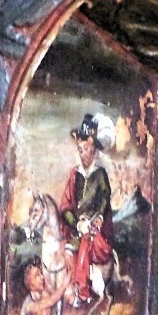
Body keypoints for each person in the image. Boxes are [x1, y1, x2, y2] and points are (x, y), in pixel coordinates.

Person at [59, 113, 115, 304]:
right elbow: (65, 206)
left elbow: (105, 199)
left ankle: (83, 291)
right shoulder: (74, 174)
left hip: (95, 228)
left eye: (86, 149)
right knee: (62, 250)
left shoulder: (100, 174)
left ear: (94, 151)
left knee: (86, 242)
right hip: (77, 227)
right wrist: (76, 224)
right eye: (80, 150)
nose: (83, 154)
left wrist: (98, 218)